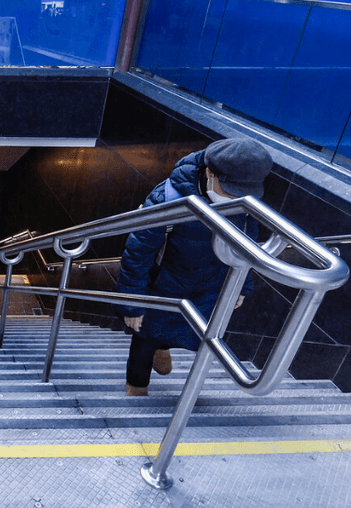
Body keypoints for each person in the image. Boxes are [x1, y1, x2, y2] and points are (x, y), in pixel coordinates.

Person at [115, 138, 273, 396]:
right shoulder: (168, 197)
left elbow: (247, 246)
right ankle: (137, 387)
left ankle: (163, 347)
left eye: (243, 192)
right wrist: (132, 303)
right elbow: (138, 251)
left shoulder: (245, 201)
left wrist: (243, 285)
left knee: (195, 332)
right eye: (229, 189)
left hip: (210, 284)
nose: (236, 197)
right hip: (164, 284)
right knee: (144, 337)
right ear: (210, 174)